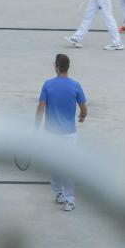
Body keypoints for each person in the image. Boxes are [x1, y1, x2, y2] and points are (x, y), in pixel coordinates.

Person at [36, 53, 88, 211]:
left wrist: (35, 127)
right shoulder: (76, 85)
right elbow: (84, 108)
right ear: (68, 67)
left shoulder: (47, 85)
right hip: (69, 134)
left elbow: (41, 108)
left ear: (56, 67)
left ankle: (59, 192)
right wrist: (82, 116)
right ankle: (69, 199)